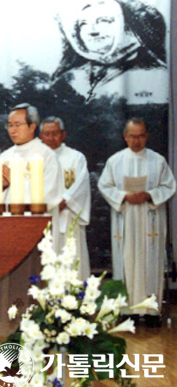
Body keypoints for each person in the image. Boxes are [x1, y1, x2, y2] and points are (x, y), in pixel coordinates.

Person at [0, 103, 63, 337]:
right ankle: (9, 334)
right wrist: (1, 184)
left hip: (34, 232)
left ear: (33, 126)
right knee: (9, 286)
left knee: (33, 287)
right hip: (7, 231)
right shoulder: (5, 156)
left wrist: (14, 183)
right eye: (9, 125)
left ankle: (37, 336)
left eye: (18, 125)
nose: (12, 130)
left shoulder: (46, 155)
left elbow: (50, 194)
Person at [98, 118, 175, 326]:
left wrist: (149, 195)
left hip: (150, 220)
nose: (137, 140)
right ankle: (127, 310)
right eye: (132, 135)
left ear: (146, 136)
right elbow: (104, 185)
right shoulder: (115, 161)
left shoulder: (157, 161)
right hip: (126, 219)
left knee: (151, 261)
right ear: (125, 136)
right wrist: (124, 196)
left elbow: (169, 186)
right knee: (127, 260)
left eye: (141, 135)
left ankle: (150, 312)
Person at [52, 0, 167, 102]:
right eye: (83, 24)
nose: (92, 31)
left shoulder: (157, 75)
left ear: (128, 26)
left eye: (103, 21)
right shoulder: (69, 78)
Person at [39, 116, 91, 280]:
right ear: (40, 136)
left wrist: (65, 200)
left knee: (72, 262)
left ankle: (74, 302)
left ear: (63, 134)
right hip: (43, 219)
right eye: (47, 134)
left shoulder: (76, 157)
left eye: (55, 133)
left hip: (69, 217)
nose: (51, 138)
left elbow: (82, 183)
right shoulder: (34, 158)